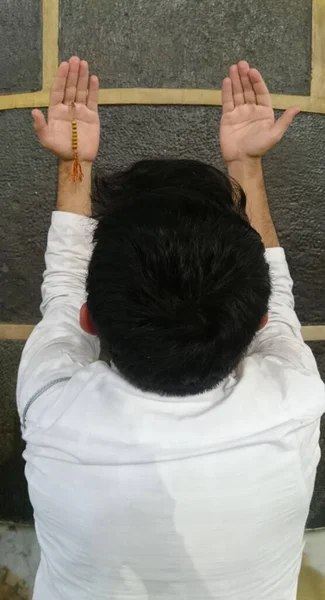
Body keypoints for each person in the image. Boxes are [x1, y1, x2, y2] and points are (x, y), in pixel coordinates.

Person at [17, 57, 325, 600]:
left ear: (92, 321)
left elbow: (63, 289)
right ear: (257, 322)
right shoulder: (296, 397)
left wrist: (75, 164)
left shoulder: (51, 408)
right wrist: (246, 163)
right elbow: (277, 297)